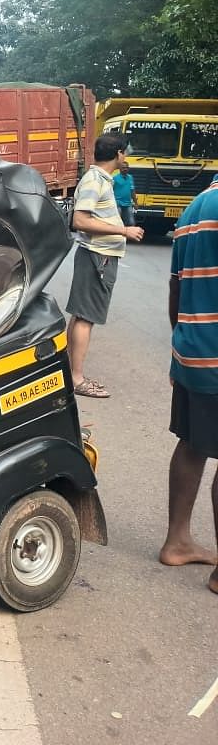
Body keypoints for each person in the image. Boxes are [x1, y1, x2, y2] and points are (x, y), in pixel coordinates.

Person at [160, 183, 218, 594]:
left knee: (192, 443)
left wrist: (181, 344)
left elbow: (175, 289)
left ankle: (177, 540)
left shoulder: (195, 207)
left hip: (193, 349)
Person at [65, 132, 145, 398]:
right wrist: (124, 231)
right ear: (119, 153)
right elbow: (80, 220)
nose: (127, 158)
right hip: (97, 256)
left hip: (97, 256)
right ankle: (76, 379)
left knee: (81, 316)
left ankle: (70, 373)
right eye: (126, 153)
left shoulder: (100, 180)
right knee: (86, 318)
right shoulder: (94, 180)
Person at [112, 160, 136, 227]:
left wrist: (135, 203)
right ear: (119, 169)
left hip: (128, 203)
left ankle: (129, 236)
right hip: (118, 203)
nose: (125, 169)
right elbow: (111, 190)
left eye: (126, 167)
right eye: (123, 167)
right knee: (118, 222)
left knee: (131, 222)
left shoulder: (130, 178)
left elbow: (132, 190)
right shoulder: (115, 178)